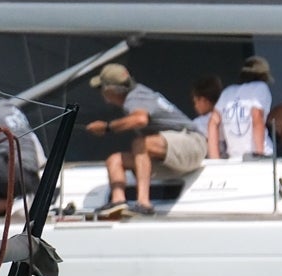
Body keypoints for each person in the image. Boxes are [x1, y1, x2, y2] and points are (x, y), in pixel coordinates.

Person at [85, 61, 206, 213]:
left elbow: (140, 119)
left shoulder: (135, 98)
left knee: (140, 144)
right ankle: (118, 202)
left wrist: (106, 127)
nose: (101, 93)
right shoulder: (137, 95)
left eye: (101, 88)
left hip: (192, 144)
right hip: (174, 157)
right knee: (114, 161)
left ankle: (143, 202)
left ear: (111, 90)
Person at [211, 56, 274, 159]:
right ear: (264, 76)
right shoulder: (261, 87)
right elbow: (257, 115)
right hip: (260, 155)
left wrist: (215, 160)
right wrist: (259, 155)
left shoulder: (227, 92)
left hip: (234, 158)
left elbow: (213, 122)